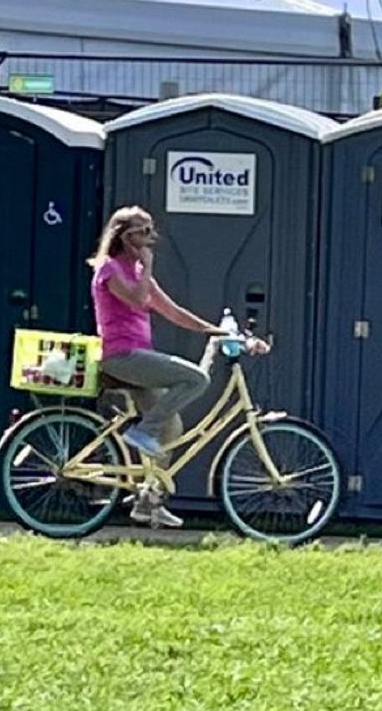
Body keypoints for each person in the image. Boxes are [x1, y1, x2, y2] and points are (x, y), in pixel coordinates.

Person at [88, 205, 266, 529]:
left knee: (170, 429)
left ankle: (148, 502)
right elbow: (135, 301)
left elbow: (175, 313)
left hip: (139, 356)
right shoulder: (110, 269)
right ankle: (143, 431)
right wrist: (147, 267)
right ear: (125, 237)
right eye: (144, 231)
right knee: (196, 379)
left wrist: (221, 332)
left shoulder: (139, 273)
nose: (151, 238)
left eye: (151, 230)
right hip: (121, 356)